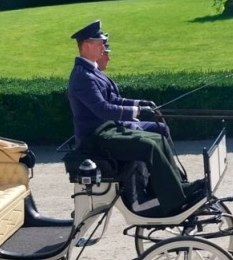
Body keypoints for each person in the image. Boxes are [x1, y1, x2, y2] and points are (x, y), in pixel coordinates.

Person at [67, 20, 205, 216]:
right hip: (96, 138)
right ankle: (174, 200)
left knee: (157, 137)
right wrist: (136, 112)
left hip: (108, 129)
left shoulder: (91, 71)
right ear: (87, 45)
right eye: (100, 44)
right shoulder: (83, 76)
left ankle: (179, 186)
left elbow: (113, 98)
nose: (103, 48)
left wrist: (139, 104)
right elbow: (103, 109)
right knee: (148, 145)